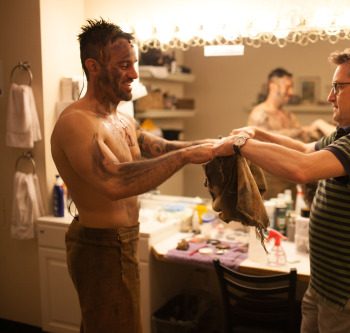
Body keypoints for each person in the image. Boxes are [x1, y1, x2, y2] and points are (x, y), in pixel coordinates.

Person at [213, 48, 350, 333]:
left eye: (338, 87)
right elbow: (302, 149)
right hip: (325, 284)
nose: (330, 96)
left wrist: (240, 145)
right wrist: (255, 132)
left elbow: (302, 167)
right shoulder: (347, 133)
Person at [50, 18, 214, 332]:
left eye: (134, 63)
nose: (134, 74)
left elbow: (160, 148)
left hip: (123, 242)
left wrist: (214, 145)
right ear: (93, 66)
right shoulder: (77, 122)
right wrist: (185, 156)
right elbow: (115, 181)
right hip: (100, 247)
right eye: (124, 65)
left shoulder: (122, 119)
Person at [248, 68, 336, 199]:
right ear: (273, 85)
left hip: (289, 177)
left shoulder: (288, 115)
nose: (291, 92)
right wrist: (300, 130)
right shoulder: (259, 113)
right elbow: (264, 138)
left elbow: (303, 139)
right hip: (268, 181)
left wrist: (320, 128)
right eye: (288, 87)